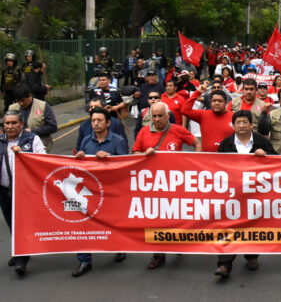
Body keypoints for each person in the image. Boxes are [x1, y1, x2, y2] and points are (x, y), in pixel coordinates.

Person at [133, 102, 201, 269]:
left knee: (176, 216)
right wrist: (143, 154)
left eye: (160, 116)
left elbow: (196, 143)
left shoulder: (177, 130)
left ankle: (177, 243)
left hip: (175, 184)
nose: (156, 119)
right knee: (157, 219)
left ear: (167, 115)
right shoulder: (143, 132)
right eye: (153, 116)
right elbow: (134, 152)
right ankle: (158, 254)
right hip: (153, 185)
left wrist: (197, 162)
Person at [214, 110, 277, 277]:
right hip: (232, 193)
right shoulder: (226, 144)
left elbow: (278, 162)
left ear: (251, 125)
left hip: (255, 194)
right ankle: (225, 264)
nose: (241, 126)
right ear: (233, 126)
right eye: (238, 123)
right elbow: (217, 167)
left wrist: (266, 156)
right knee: (228, 227)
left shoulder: (261, 141)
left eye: (244, 122)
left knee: (252, 225)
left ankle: (251, 256)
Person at [72, 107, 128, 277]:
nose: (95, 123)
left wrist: (110, 159)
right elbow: (79, 168)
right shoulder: (86, 141)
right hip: (89, 191)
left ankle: (118, 247)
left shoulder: (118, 141)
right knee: (83, 224)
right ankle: (84, 260)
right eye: (93, 121)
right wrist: (80, 158)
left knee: (112, 222)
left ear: (108, 123)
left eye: (99, 120)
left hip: (111, 191)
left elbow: (126, 166)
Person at [0, 110, 46, 275]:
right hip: (4, 192)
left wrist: (24, 154)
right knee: (12, 223)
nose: (10, 126)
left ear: (21, 124)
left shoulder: (32, 139)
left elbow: (43, 160)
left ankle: (21, 258)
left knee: (22, 223)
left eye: (14, 123)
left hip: (25, 192)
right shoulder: (0, 141)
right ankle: (20, 248)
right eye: (7, 123)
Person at [182, 87, 234, 152]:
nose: (217, 103)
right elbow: (184, 110)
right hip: (207, 159)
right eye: (214, 101)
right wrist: (197, 92)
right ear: (210, 103)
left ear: (226, 103)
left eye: (220, 101)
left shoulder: (234, 116)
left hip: (227, 158)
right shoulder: (202, 115)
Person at [10, 85, 57, 153]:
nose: (20, 103)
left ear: (30, 96)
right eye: (18, 101)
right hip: (18, 147)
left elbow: (52, 127)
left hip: (40, 146)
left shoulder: (43, 106)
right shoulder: (12, 108)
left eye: (22, 100)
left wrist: (32, 131)